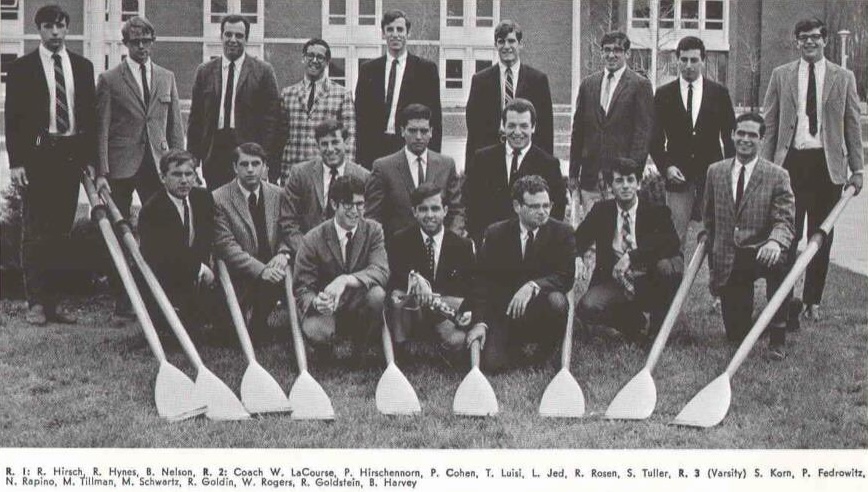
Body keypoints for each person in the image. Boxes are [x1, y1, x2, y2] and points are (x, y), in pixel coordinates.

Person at [762, 18, 864, 321]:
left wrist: (857, 169)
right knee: (787, 234)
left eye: (815, 37)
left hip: (826, 166)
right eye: (803, 38)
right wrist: (765, 167)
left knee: (821, 235)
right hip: (790, 163)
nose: (809, 42)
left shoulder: (843, 77)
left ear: (825, 40)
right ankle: (784, 299)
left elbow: (852, 125)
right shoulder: (780, 75)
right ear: (796, 42)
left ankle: (812, 301)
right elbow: (769, 123)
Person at [5, 4, 97, 326]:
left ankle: (55, 303)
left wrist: (91, 160)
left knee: (61, 231)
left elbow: (90, 117)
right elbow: (12, 119)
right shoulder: (22, 69)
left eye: (59, 26)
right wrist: (16, 163)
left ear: (67, 28)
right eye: (48, 27)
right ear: (39, 30)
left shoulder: (83, 67)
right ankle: (36, 304)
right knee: (35, 231)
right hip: (39, 150)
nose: (54, 32)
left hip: (70, 153)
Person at [94, 15, 185, 320]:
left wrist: (179, 165)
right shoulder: (110, 79)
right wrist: (102, 172)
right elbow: (102, 129)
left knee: (160, 227)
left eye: (147, 41)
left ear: (153, 42)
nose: (142, 46)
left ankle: (158, 293)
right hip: (121, 165)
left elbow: (174, 127)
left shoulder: (166, 76)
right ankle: (123, 297)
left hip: (157, 165)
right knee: (121, 231)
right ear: (126, 44)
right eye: (136, 42)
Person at [704, 113, 796, 360]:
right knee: (736, 335)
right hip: (731, 258)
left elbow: (785, 220)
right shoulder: (715, 172)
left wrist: (775, 241)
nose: (745, 139)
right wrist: (715, 275)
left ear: (762, 139)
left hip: (761, 251)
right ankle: (788, 310)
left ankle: (778, 334)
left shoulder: (777, 175)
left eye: (752, 135)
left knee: (782, 263)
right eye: (741, 133)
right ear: (732, 135)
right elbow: (709, 221)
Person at [466, 176, 576, 372]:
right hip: (505, 311)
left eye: (546, 205)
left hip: (540, 307)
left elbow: (565, 276)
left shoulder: (562, 232)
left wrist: (533, 286)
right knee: (492, 365)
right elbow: (482, 281)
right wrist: (480, 322)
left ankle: (545, 353)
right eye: (534, 207)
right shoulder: (496, 234)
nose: (542, 212)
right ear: (517, 206)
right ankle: (513, 347)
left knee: (558, 301)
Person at [574, 158, 682, 341]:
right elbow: (576, 240)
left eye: (630, 180)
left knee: (665, 267)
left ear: (638, 183)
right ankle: (633, 323)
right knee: (587, 307)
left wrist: (632, 257)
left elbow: (671, 243)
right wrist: (576, 255)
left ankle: (660, 323)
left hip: (650, 278)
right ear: (610, 187)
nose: (625, 186)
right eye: (619, 181)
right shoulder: (601, 211)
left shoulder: (655, 210)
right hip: (617, 281)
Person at [650, 36, 735, 247]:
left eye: (694, 60)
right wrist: (666, 167)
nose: (689, 66)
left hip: (712, 175)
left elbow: (730, 137)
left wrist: (729, 172)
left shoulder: (719, 94)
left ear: (703, 61)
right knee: (675, 238)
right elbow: (654, 138)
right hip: (677, 177)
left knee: (716, 235)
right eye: (684, 59)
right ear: (677, 60)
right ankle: (676, 280)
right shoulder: (663, 94)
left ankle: (718, 281)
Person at [293, 176, 389, 356]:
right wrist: (316, 302)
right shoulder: (313, 238)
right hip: (327, 306)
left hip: (358, 301)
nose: (355, 211)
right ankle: (325, 350)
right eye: (348, 205)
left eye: (360, 204)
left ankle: (361, 348)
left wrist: (344, 280)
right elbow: (302, 287)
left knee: (377, 295)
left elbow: (381, 271)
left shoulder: (373, 230)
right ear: (334, 204)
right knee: (318, 332)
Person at [187, 14, 280, 190]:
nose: (233, 40)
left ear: (247, 39)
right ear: (221, 36)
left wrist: (264, 156)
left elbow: (271, 119)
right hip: (214, 151)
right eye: (228, 34)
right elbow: (196, 118)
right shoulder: (204, 71)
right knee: (216, 204)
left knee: (246, 204)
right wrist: (193, 158)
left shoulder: (263, 71)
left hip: (248, 151)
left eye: (239, 36)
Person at [569, 31, 653, 220]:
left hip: (620, 179)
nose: (611, 55)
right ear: (601, 53)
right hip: (590, 178)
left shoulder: (640, 85)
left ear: (627, 54)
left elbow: (643, 134)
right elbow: (578, 132)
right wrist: (573, 173)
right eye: (607, 50)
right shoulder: (588, 84)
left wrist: (631, 176)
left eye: (617, 50)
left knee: (619, 236)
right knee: (591, 238)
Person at [386, 183, 475, 358]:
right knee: (397, 297)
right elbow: (395, 279)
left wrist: (457, 311)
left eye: (435, 209)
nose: (430, 215)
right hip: (413, 310)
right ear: (414, 212)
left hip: (445, 310)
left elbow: (470, 287)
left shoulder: (462, 245)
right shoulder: (399, 240)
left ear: (445, 210)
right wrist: (415, 279)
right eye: (423, 209)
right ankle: (403, 348)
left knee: (457, 343)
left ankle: (431, 346)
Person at [464, 98, 566, 243]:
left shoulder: (549, 165)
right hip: (491, 245)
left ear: (533, 127)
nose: (517, 132)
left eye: (524, 126)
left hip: (531, 247)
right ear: (503, 126)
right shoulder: (483, 159)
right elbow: (471, 203)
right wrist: (481, 238)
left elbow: (556, 211)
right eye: (511, 125)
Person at [213, 143, 287, 337]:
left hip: (274, 267)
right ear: (235, 167)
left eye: (256, 163)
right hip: (237, 272)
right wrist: (261, 270)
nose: (250, 169)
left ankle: (260, 321)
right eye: (244, 164)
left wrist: (283, 253)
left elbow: (288, 230)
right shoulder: (219, 198)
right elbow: (226, 245)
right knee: (228, 333)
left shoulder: (278, 194)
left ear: (264, 166)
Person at [355, 9, 442, 168]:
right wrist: (359, 157)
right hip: (374, 149)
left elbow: (435, 117)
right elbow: (360, 116)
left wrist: (433, 160)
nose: (395, 34)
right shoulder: (368, 69)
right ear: (383, 33)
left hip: (408, 147)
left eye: (400, 29)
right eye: (390, 29)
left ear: (408, 33)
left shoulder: (426, 70)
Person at [138, 150, 215, 329]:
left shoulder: (203, 199)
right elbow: (162, 257)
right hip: (167, 283)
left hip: (200, 279)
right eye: (176, 174)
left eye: (189, 174)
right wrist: (199, 268)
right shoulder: (152, 211)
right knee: (179, 332)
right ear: (163, 177)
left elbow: (207, 239)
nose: (184, 180)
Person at [464, 19, 553, 167]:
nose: (506, 47)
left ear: (520, 44)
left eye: (511, 41)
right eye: (501, 41)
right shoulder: (480, 81)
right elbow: (473, 131)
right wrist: (471, 169)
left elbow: (546, 130)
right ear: (495, 45)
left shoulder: (538, 81)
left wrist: (546, 167)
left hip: (527, 159)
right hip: (491, 160)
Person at [365, 104, 461, 238]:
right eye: (412, 130)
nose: (418, 137)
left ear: (431, 132)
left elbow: (457, 211)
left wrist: (449, 242)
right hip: (398, 250)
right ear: (402, 131)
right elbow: (373, 217)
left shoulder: (447, 165)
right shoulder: (383, 167)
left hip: (439, 249)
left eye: (424, 131)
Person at [278, 119, 370, 259]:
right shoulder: (300, 174)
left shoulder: (364, 177)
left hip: (349, 257)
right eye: (324, 144)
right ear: (317, 146)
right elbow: (289, 222)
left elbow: (367, 223)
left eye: (335, 142)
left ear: (346, 143)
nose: (330, 149)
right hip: (308, 253)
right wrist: (309, 252)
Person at [277, 38, 355, 183]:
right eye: (310, 56)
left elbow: (349, 139)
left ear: (327, 62)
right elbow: (280, 137)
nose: (314, 60)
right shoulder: (288, 93)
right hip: (292, 171)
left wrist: (344, 175)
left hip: (325, 171)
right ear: (303, 58)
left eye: (320, 57)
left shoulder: (342, 94)